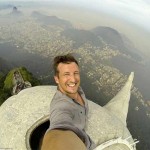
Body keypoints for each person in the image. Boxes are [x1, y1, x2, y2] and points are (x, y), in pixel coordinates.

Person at [41, 54, 95, 150]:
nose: (73, 79)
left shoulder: (79, 91)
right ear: (57, 79)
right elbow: (57, 131)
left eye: (75, 73)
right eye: (66, 74)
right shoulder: (61, 105)